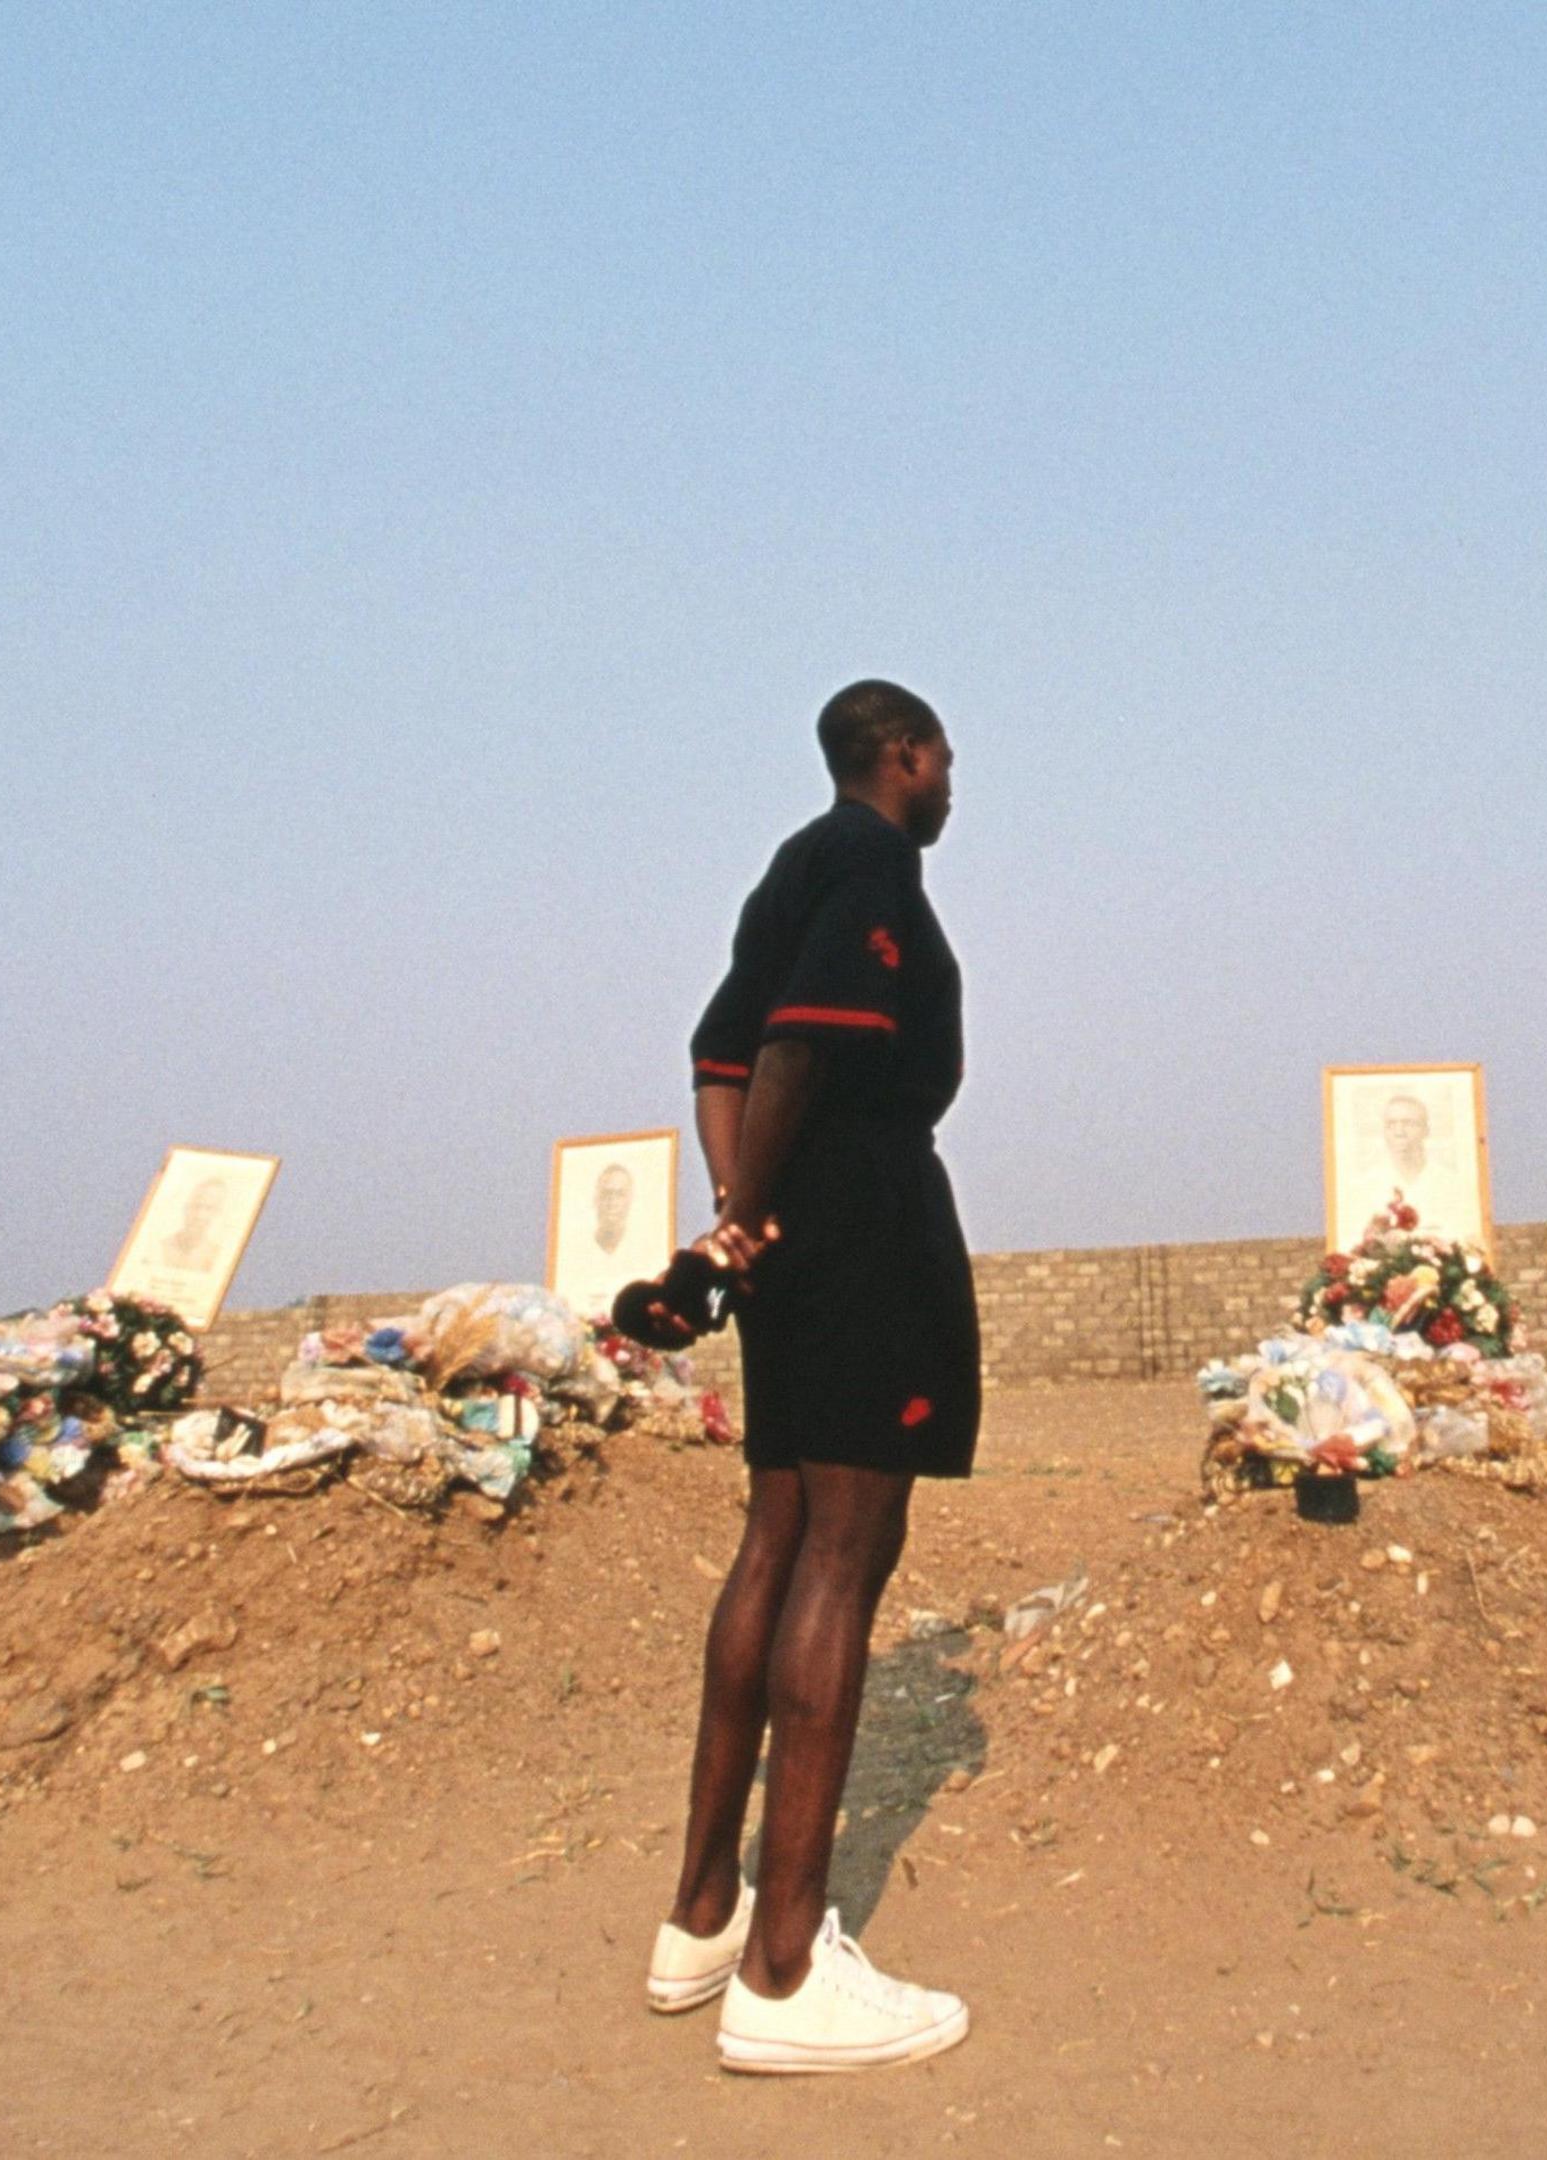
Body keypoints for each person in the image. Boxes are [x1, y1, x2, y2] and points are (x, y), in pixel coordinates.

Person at [649, 679, 976, 2074]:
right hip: (856, 1228)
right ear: (901, 756)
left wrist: (737, 1208)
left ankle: (703, 1917)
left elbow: (713, 1053)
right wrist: (754, 1207)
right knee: (844, 1556)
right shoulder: (870, 863)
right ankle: (786, 1972)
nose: (952, 779)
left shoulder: (791, 866)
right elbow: (794, 1047)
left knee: (775, 1546)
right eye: (944, 756)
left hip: (788, 1238)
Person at [592, 1159, 639, 1257]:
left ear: (630, 1200)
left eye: (620, 1194)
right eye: (606, 1193)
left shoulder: (640, 1246)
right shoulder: (578, 1250)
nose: (612, 1202)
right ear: (596, 1200)